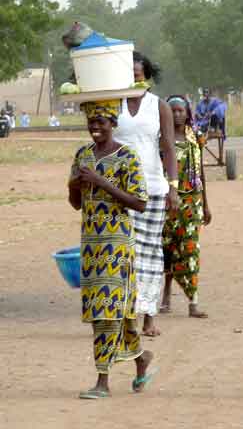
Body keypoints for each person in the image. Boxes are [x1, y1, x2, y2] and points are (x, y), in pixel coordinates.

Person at [67, 99, 156, 399]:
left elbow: (140, 203)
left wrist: (101, 181)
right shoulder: (82, 156)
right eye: (91, 122)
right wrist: (74, 185)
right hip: (92, 244)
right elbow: (76, 203)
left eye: (101, 122)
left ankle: (102, 381)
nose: (95, 127)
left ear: (112, 125)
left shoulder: (127, 156)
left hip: (117, 244)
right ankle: (141, 358)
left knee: (108, 311)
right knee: (109, 311)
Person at [114, 52, 178, 337]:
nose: (134, 79)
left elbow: (168, 148)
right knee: (124, 252)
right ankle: (126, 313)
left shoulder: (159, 106)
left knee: (151, 251)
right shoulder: (113, 104)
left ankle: (149, 316)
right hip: (119, 188)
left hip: (152, 187)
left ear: (146, 76)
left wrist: (173, 187)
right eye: (129, 75)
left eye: (138, 75)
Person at [160, 95, 211, 318]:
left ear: (188, 113)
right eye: (173, 111)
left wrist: (206, 205)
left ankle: (193, 302)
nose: (177, 114)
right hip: (167, 201)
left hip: (192, 200)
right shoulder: (161, 140)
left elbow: (201, 171)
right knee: (167, 249)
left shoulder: (196, 138)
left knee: (190, 250)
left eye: (181, 111)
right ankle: (166, 294)